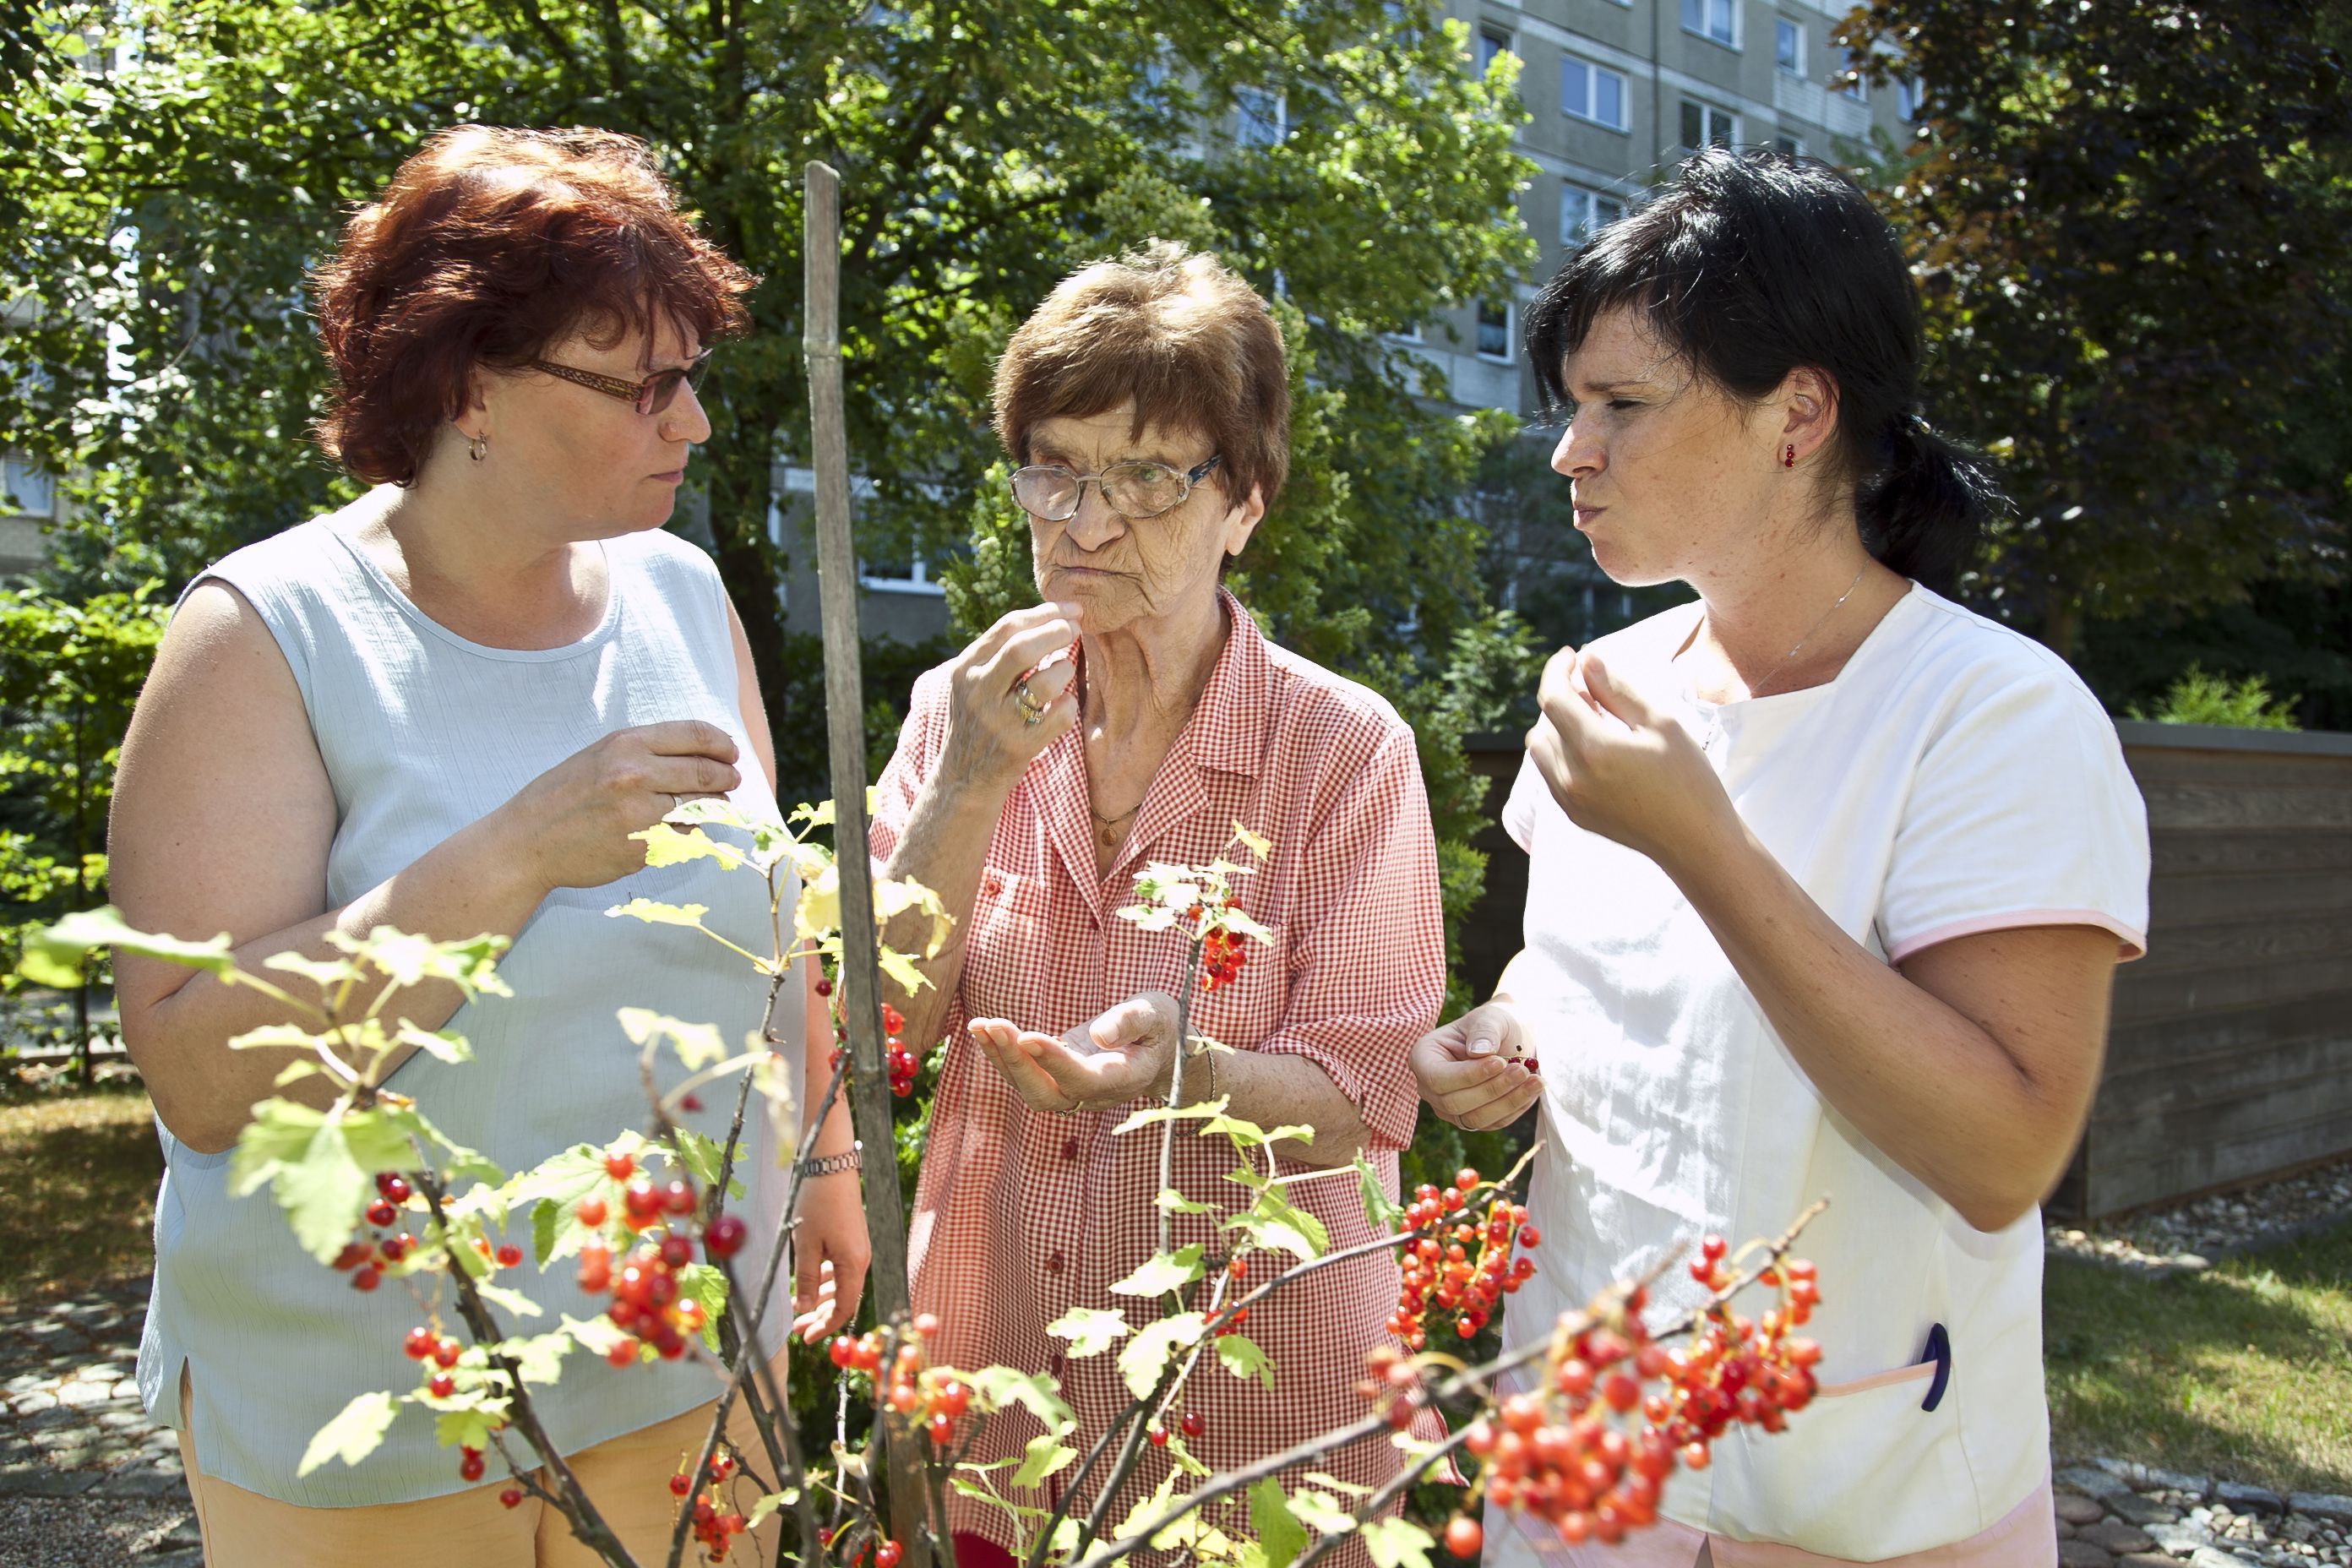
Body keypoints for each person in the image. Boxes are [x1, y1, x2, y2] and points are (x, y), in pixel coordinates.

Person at [106, 126, 867, 1566]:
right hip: (388, 1428)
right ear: (466, 388)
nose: (691, 422)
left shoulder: (682, 596)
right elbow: (204, 1077)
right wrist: (517, 850)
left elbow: (777, 929)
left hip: (698, 1380)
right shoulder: (268, 637)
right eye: (641, 383)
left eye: (689, 375)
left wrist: (822, 1160)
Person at [1413, 150, 2150, 1567]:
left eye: (1622, 406)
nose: (1573, 450)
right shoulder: (1607, 685)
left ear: (1798, 412)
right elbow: (1575, 971)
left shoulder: (1993, 715)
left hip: (1856, 1498)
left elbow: (2005, 1150)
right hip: (1581, 1464)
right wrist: (1503, 1028)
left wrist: (1707, 848)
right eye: (1574, 407)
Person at [868, 242, 1445, 1565]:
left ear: (1242, 502)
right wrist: (966, 784)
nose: (1084, 521)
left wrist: (1188, 1074)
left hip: (1253, 1418)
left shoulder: (1340, 751)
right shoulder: (960, 718)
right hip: (994, 1395)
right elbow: (879, 1029)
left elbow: (1362, 1089)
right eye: (1055, 469)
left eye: (1145, 478)